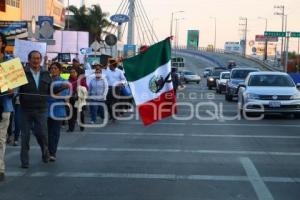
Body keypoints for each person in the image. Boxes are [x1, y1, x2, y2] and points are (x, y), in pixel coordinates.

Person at [19, 50, 52, 168]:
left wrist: (61, 88)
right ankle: (24, 161)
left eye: (38, 58)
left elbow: (50, 91)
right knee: (25, 137)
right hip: (25, 110)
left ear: (41, 60)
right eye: (33, 58)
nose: (36, 61)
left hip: (41, 109)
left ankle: (45, 151)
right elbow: (15, 90)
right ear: (29, 60)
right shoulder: (22, 73)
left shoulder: (46, 74)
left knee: (42, 134)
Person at [48, 62, 70, 161]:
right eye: (52, 68)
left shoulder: (64, 81)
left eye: (55, 68)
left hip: (58, 110)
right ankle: (46, 150)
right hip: (45, 110)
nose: (53, 70)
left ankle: (52, 153)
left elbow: (63, 96)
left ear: (60, 70)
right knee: (44, 133)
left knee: (55, 133)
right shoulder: (46, 81)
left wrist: (52, 94)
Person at [0, 32, 14, 181]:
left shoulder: (10, 62)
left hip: (4, 106)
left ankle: (0, 168)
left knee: (1, 139)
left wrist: (12, 89)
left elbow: (15, 87)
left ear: (3, 43)